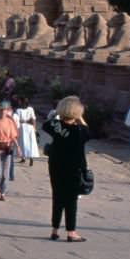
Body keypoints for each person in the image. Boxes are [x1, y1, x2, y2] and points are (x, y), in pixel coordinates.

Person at [43, 96, 90, 242]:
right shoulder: (79, 131)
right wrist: (80, 118)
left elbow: (46, 124)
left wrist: (58, 115)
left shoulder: (56, 126)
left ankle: (55, 230)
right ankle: (71, 232)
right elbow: (89, 132)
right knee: (71, 201)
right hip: (74, 167)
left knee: (57, 197)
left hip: (56, 165)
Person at [14, 95, 40, 166]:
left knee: (22, 142)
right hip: (30, 127)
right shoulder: (30, 109)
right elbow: (33, 119)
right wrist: (34, 128)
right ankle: (30, 157)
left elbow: (16, 120)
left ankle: (23, 157)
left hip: (22, 127)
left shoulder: (18, 110)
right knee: (30, 142)